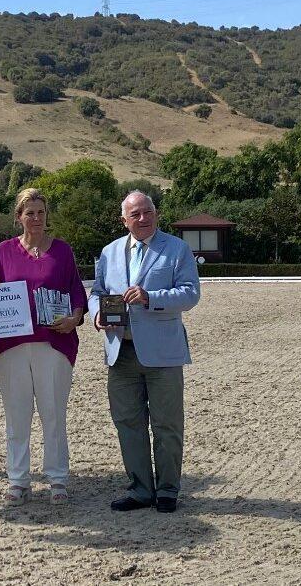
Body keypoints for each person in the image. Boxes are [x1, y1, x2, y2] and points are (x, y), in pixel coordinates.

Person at [89, 191, 200, 514]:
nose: (143, 218)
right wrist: (97, 312)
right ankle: (140, 489)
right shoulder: (109, 252)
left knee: (167, 425)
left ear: (156, 214)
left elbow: (190, 294)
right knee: (128, 423)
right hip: (119, 353)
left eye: (147, 212)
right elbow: (97, 292)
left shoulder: (177, 249)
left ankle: (167, 489)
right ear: (123, 219)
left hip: (163, 354)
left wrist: (151, 297)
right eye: (135, 214)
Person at [0, 188, 87, 506]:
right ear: (19, 217)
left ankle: (57, 478)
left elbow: (77, 296)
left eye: (41, 212)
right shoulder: (3, 251)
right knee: (17, 415)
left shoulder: (63, 251)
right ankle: (18, 480)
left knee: (53, 413)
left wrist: (73, 319)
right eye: (30, 213)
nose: (37, 218)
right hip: (12, 345)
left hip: (53, 344)